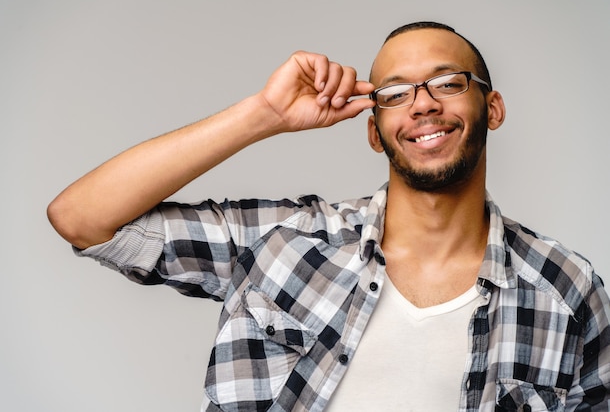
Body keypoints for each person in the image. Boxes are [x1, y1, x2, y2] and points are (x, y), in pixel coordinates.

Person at [47, 21, 610, 411]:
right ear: (374, 130)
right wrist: (263, 114)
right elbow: (82, 217)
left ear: (492, 108)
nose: (422, 104)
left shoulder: (566, 288)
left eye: (447, 82)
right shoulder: (283, 244)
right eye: (393, 93)